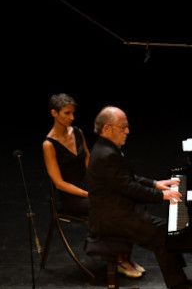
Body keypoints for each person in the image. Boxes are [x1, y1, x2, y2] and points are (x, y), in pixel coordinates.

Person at [86, 105, 192, 289]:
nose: (127, 131)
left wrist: (156, 184)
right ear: (108, 128)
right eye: (123, 127)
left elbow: (128, 178)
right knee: (163, 235)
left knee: (164, 231)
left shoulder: (106, 149)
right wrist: (161, 195)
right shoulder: (107, 154)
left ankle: (182, 284)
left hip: (118, 212)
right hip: (112, 219)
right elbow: (129, 188)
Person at [42, 93, 144, 278]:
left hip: (91, 188)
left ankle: (124, 255)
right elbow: (59, 183)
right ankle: (118, 259)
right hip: (71, 197)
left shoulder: (78, 133)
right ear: (54, 113)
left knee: (126, 199)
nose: (72, 118)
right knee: (111, 207)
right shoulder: (49, 145)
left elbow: (90, 161)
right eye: (67, 113)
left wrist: (103, 183)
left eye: (73, 113)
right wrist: (88, 194)